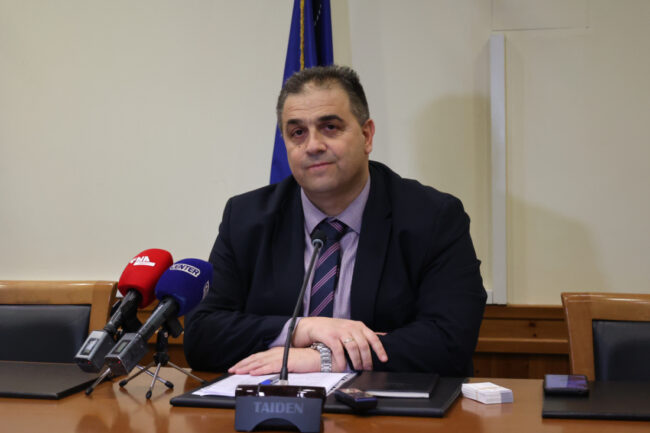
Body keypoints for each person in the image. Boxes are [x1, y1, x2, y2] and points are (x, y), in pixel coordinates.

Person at [184, 65, 486, 376]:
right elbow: (202, 335)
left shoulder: (432, 217)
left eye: (330, 127)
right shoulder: (246, 218)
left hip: (386, 403)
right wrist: (301, 329)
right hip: (274, 401)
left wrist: (323, 359)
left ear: (366, 135)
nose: (313, 146)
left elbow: (450, 341)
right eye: (297, 133)